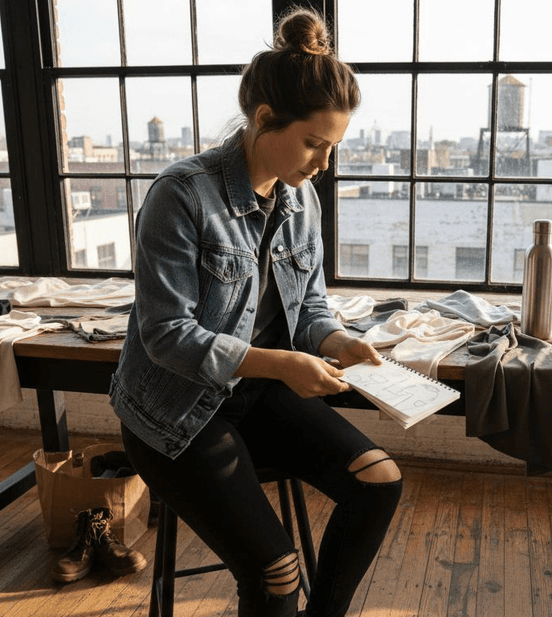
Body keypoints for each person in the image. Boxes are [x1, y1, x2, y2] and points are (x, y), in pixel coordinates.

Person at [109, 7, 403, 617]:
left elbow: (311, 305)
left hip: (259, 396)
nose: (323, 164)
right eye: (314, 144)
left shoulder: (302, 200)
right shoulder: (181, 195)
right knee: (276, 572)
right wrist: (283, 364)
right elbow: (166, 336)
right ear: (265, 118)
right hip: (175, 411)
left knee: (379, 482)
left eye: (333, 147)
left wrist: (336, 341)